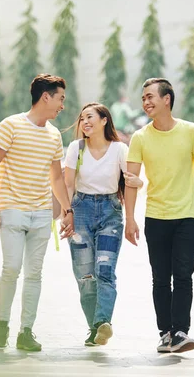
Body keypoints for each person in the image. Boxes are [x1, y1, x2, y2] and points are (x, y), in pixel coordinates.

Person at [0, 73, 75, 351]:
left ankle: (26, 331)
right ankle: (1, 326)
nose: (62, 105)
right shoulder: (10, 126)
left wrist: (67, 209)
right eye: (60, 98)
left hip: (41, 214)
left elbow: (57, 178)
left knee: (34, 273)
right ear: (45, 96)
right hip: (12, 209)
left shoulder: (53, 136)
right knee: (11, 268)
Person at [125, 78, 194, 354]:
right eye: (143, 98)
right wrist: (131, 218)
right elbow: (131, 179)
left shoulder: (191, 131)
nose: (146, 102)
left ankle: (181, 331)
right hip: (156, 217)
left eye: (150, 97)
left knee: (184, 275)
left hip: (186, 217)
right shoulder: (140, 137)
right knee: (161, 277)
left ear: (167, 100)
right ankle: (166, 333)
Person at [63, 102, 143, 347]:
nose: (85, 122)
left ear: (104, 120)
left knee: (105, 270)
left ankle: (102, 322)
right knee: (86, 276)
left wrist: (131, 214)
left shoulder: (120, 149)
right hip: (81, 211)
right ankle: (95, 327)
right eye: (82, 118)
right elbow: (67, 184)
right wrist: (67, 213)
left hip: (110, 212)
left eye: (90, 117)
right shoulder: (76, 148)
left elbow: (131, 182)